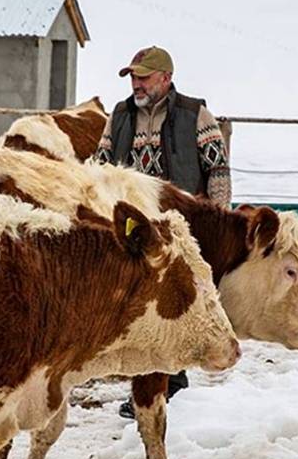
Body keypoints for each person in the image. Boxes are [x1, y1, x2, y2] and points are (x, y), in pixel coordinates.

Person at [95, 46, 232, 418]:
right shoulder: (120, 115)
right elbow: (100, 165)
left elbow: (217, 168)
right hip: (134, 229)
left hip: (181, 226)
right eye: (133, 77)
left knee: (177, 301)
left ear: (165, 78)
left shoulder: (195, 114)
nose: (136, 83)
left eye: (143, 76)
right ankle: (155, 381)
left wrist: (216, 219)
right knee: (140, 304)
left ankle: (170, 382)